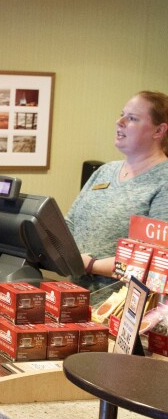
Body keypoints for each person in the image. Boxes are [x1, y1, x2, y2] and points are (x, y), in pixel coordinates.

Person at [67, 90, 168, 288]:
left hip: (120, 310)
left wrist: (91, 265)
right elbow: (69, 224)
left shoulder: (164, 181)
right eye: (122, 114)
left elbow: (155, 259)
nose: (119, 122)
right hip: (75, 298)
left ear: (158, 131)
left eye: (132, 118)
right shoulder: (105, 171)